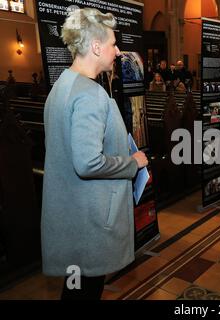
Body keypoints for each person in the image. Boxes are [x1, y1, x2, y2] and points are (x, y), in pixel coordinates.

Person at [41, 8, 148, 300]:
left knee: (74, 288)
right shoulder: (89, 94)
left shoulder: (62, 85)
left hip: (71, 213)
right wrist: (131, 163)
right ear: (96, 46)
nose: (117, 51)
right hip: (90, 217)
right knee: (85, 291)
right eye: (113, 43)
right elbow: (88, 162)